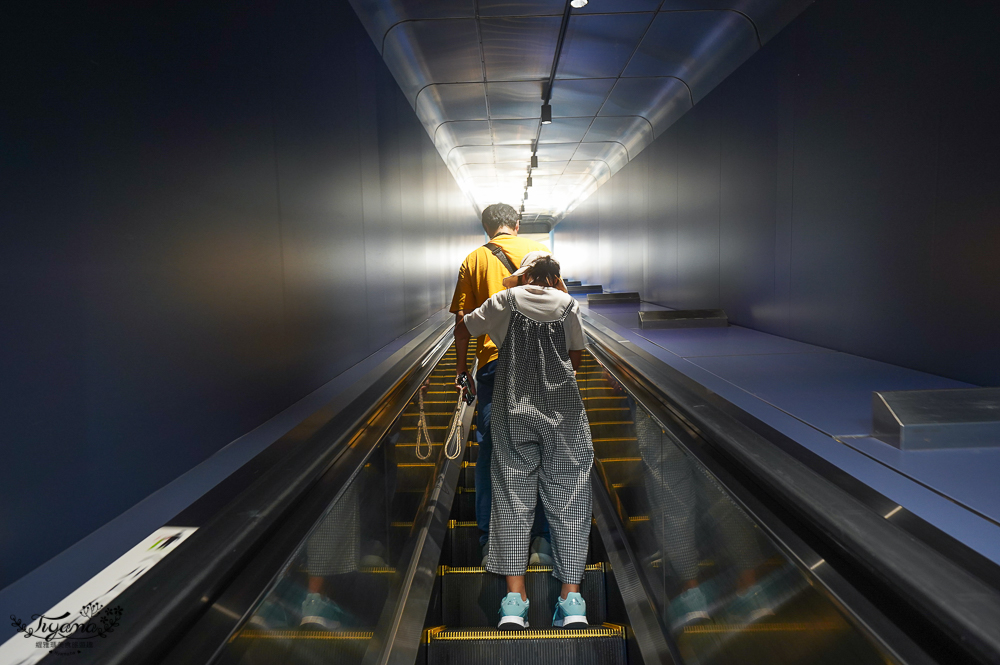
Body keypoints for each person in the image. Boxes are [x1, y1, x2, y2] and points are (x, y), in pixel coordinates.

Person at [455, 252, 593, 630]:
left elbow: (464, 327)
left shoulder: (505, 301)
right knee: (571, 497)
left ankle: (514, 602)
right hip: (563, 417)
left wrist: (460, 371)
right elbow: (576, 359)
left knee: (512, 497)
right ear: (555, 276)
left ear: (525, 273)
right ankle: (572, 601)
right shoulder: (567, 305)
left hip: (513, 410)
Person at [450, 203, 556, 565]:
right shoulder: (540, 254)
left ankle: (491, 542)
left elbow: (462, 324)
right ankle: (541, 542)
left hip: (496, 365)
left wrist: (464, 370)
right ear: (516, 224)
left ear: (486, 228)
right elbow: (562, 301)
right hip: (541, 366)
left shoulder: (472, 261)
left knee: (493, 453)